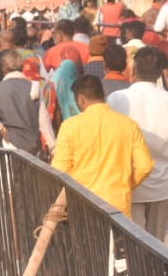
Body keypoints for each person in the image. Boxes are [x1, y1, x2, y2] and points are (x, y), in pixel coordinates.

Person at [108, 46, 168, 240]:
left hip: (129, 184)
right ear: (159, 73)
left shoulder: (116, 99)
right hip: (162, 185)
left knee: (132, 243)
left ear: (134, 70)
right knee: (157, 245)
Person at [50, 76, 153, 214]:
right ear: (102, 95)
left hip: (82, 203)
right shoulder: (128, 125)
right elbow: (145, 166)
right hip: (118, 204)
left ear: (80, 99)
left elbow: (60, 170)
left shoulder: (69, 126)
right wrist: (126, 184)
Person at [0, 50, 54, 154]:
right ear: (21, 68)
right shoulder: (34, 87)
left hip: (8, 144)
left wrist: (0, 127)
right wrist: (52, 146)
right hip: (33, 147)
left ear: (3, 69)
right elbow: (44, 120)